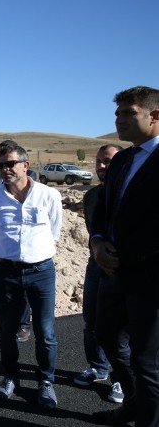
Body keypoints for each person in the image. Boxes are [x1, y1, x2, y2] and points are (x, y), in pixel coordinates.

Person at [90, 86, 159, 426]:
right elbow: (104, 208)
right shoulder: (122, 160)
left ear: (155, 116)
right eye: (117, 114)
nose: (119, 120)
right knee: (106, 336)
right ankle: (133, 406)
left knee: (148, 362)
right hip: (113, 271)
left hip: (149, 277)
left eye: (128, 113)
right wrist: (98, 241)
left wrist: (125, 256)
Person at [0, 143, 62, 409]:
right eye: (1, 165)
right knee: (6, 330)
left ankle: (46, 381)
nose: (5, 169)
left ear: (25, 165)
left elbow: (55, 231)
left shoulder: (49, 195)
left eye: (10, 164)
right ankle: (10, 376)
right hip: (6, 272)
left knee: (45, 330)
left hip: (41, 271)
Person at [74, 144, 128, 405]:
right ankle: (98, 366)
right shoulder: (92, 196)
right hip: (95, 266)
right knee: (91, 320)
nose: (101, 166)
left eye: (107, 161)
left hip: (126, 271)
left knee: (121, 329)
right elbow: (92, 230)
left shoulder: (134, 193)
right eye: (98, 162)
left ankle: (122, 377)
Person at [0, 140, 36, 342]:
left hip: (19, 241)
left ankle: (23, 324)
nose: (5, 168)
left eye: (8, 159)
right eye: (1, 160)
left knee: (21, 284)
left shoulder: (29, 176)